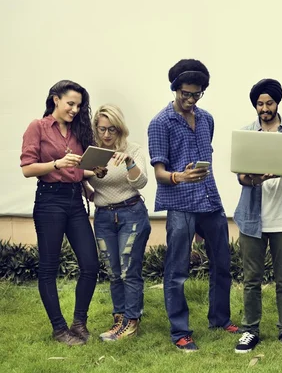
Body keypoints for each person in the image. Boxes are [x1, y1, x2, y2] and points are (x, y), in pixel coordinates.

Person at [148, 59, 238, 352]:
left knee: (222, 263)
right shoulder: (160, 123)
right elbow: (159, 174)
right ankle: (180, 332)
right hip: (181, 204)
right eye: (184, 93)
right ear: (174, 89)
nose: (189, 99)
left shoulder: (207, 119)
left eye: (196, 94)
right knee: (176, 271)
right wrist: (179, 176)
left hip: (210, 201)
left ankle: (220, 319)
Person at [233, 78, 282, 354]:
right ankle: (249, 330)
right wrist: (255, 177)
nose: (264, 108)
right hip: (252, 218)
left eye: (268, 103)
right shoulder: (247, 133)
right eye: (259, 104)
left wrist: (279, 167)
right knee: (251, 279)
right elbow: (242, 177)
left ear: (277, 103)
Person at [20, 80, 100, 345]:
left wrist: (91, 175)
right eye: (70, 103)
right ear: (56, 99)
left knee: (90, 264)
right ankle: (59, 329)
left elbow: (75, 169)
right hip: (49, 201)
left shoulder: (78, 131)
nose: (75, 110)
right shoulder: (38, 127)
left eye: (79, 105)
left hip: (75, 200)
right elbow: (27, 168)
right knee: (49, 268)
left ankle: (79, 322)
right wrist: (56, 163)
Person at [87, 104, 152, 341]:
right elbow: (80, 178)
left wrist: (128, 163)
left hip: (131, 214)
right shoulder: (92, 152)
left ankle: (131, 322)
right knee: (114, 272)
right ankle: (119, 320)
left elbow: (141, 182)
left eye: (111, 129)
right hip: (103, 217)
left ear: (120, 129)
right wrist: (91, 192)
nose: (106, 135)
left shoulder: (132, 150)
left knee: (129, 271)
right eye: (102, 129)